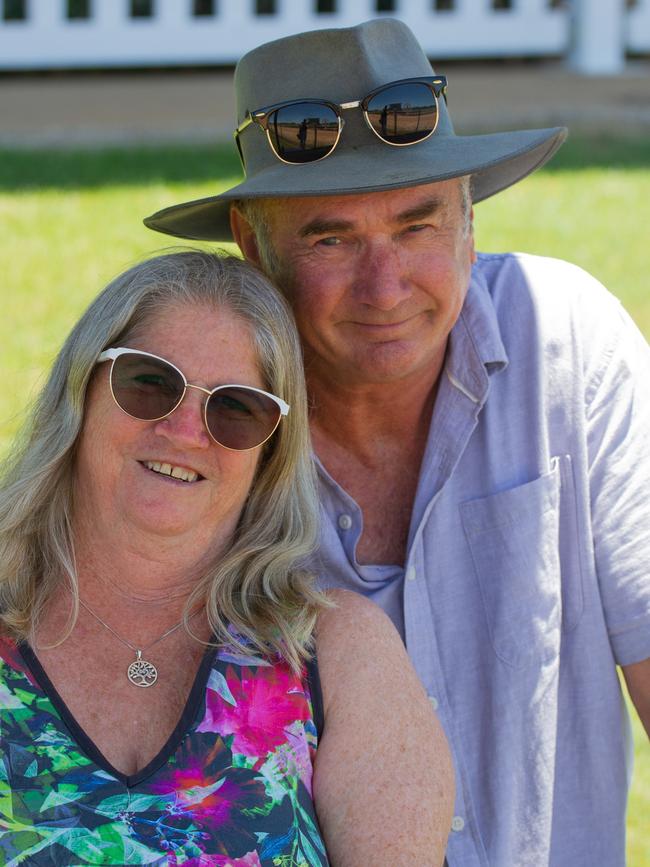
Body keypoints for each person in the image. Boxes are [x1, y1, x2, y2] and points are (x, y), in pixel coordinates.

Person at [144, 18, 650, 867]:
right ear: (250, 242)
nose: (386, 287)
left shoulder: (567, 341)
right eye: (330, 238)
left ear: (468, 222)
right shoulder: (199, 415)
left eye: (417, 225)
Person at [0, 250, 454, 866]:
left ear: (270, 452)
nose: (186, 429)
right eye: (149, 383)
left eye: (236, 409)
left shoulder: (337, 653)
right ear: (82, 390)